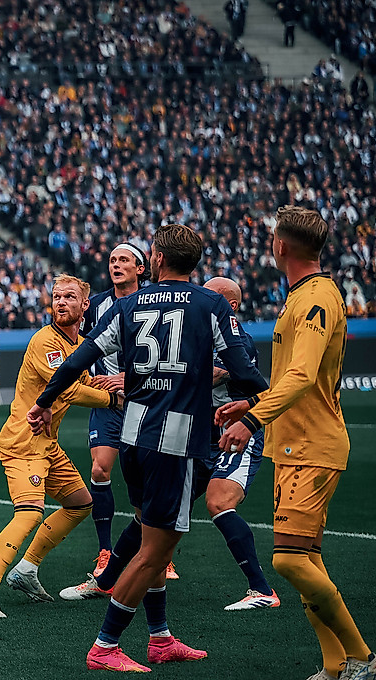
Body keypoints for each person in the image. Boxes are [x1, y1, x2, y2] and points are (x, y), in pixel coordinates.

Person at [29, 224, 267, 672]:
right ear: (193, 263)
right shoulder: (212, 304)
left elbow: (79, 359)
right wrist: (257, 402)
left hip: (133, 434)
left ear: (156, 259)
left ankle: (159, 638)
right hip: (177, 444)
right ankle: (105, 646)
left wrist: (44, 402)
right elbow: (244, 370)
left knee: (149, 533)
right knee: (156, 549)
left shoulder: (125, 305)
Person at [217, 207, 376, 680]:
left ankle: (363, 658)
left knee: (288, 559)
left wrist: (251, 419)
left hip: (311, 445)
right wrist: (251, 401)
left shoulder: (314, 299)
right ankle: (336, 667)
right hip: (294, 443)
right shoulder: (304, 295)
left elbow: (302, 374)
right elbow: (290, 378)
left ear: (281, 246)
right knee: (306, 559)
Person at [0, 274, 121, 618]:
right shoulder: (45, 341)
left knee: (81, 503)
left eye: (69, 296)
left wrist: (109, 382)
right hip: (23, 442)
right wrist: (111, 399)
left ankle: (26, 569)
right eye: (56, 296)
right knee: (30, 512)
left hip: (46, 444)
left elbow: (81, 381)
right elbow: (66, 388)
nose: (61, 302)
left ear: (86, 305)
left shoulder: (80, 344)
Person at [203, 277, 280, 611]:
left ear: (230, 306)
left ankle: (261, 589)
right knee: (155, 505)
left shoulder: (238, 341)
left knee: (219, 502)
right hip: (200, 435)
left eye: (210, 296)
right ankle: (113, 577)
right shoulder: (203, 336)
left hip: (237, 432)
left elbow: (216, 374)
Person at [81, 244, 156, 579]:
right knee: (99, 470)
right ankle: (105, 550)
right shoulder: (95, 305)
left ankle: (157, 548)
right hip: (110, 405)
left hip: (148, 402)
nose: (116, 264)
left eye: (124, 259)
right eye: (111, 260)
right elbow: (76, 344)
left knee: (151, 478)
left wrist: (133, 377)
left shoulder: (156, 300)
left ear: (140, 268)